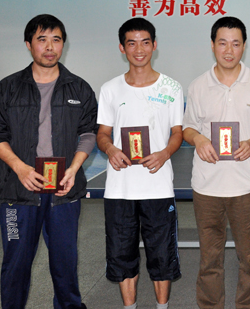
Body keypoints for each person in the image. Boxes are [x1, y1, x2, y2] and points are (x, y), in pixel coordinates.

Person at [0, 14, 97, 309]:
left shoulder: (79, 88)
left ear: (63, 45)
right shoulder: (7, 88)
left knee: (65, 265)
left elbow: (89, 133)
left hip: (64, 192)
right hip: (19, 193)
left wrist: (74, 169)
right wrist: (20, 168)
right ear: (28, 44)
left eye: (56, 40)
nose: (49, 47)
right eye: (42, 39)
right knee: (16, 265)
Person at [182, 16, 250, 309]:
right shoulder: (198, 85)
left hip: (246, 185)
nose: (229, 50)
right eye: (222, 43)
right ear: (212, 45)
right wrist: (199, 140)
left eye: (235, 44)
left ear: (244, 46)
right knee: (209, 259)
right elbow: (188, 128)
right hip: (207, 187)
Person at [96, 18, 183, 309]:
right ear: (122, 48)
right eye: (131, 43)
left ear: (154, 45)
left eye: (145, 42)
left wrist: (164, 153)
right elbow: (102, 133)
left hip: (158, 187)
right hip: (119, 190)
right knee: (122, 257)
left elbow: (177, 132)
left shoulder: (172, 87)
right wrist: (110, 149)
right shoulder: (110, 89)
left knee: (162, 256)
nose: (139, 49)